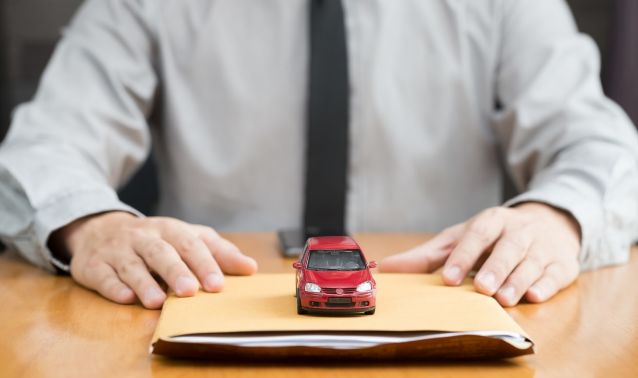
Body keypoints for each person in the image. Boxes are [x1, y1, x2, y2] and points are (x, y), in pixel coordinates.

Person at [0, 0, 637, 310]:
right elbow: (43, 145)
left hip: (453, 317)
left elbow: (600, 144)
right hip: (204, 315)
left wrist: (556, 218)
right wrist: (94, 227)